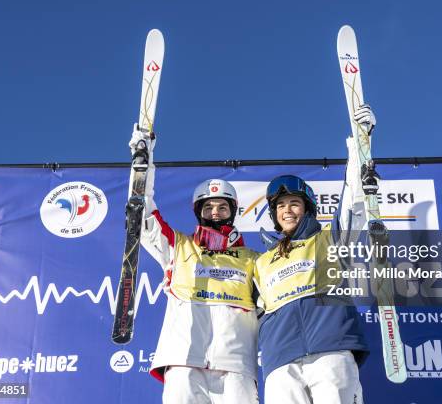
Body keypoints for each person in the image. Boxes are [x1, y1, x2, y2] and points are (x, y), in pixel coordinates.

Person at [254, 105, 376, 403]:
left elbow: (353, 201)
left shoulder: (330, 239)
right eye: (280, 206)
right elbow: (251, 313)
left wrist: (361, 144)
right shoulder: (260, 262)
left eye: (294, 203)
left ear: (307, 208)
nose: (287, 210)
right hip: (280, 359)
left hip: (331, 349)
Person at [128, 127, 259, 404]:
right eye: (208, 207)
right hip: (183, 359)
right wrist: (143, 161)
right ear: (198, 212)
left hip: (235, 365)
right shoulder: (179, 246)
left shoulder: (252, 260)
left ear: (232, 212)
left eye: (222, 207)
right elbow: (142, 212)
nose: (215, 212)